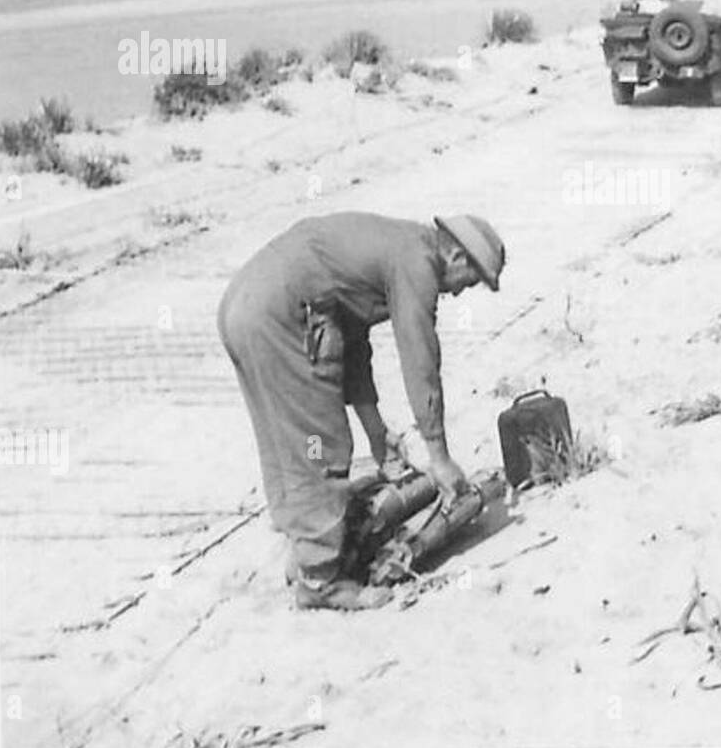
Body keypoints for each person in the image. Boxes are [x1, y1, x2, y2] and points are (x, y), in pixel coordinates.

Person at [217, 212, 506, 611]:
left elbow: (353, 343)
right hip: (282, 316)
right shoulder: (416, 263)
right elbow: (420, 357)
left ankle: (303, 550)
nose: (457, 294)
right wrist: (438, 456)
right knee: (319, 446)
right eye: (468, 282)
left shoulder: (394, 243)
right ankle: (321, 582)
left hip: (244, 306)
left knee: (285, 438)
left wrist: (375, 430)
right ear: (457, 255)